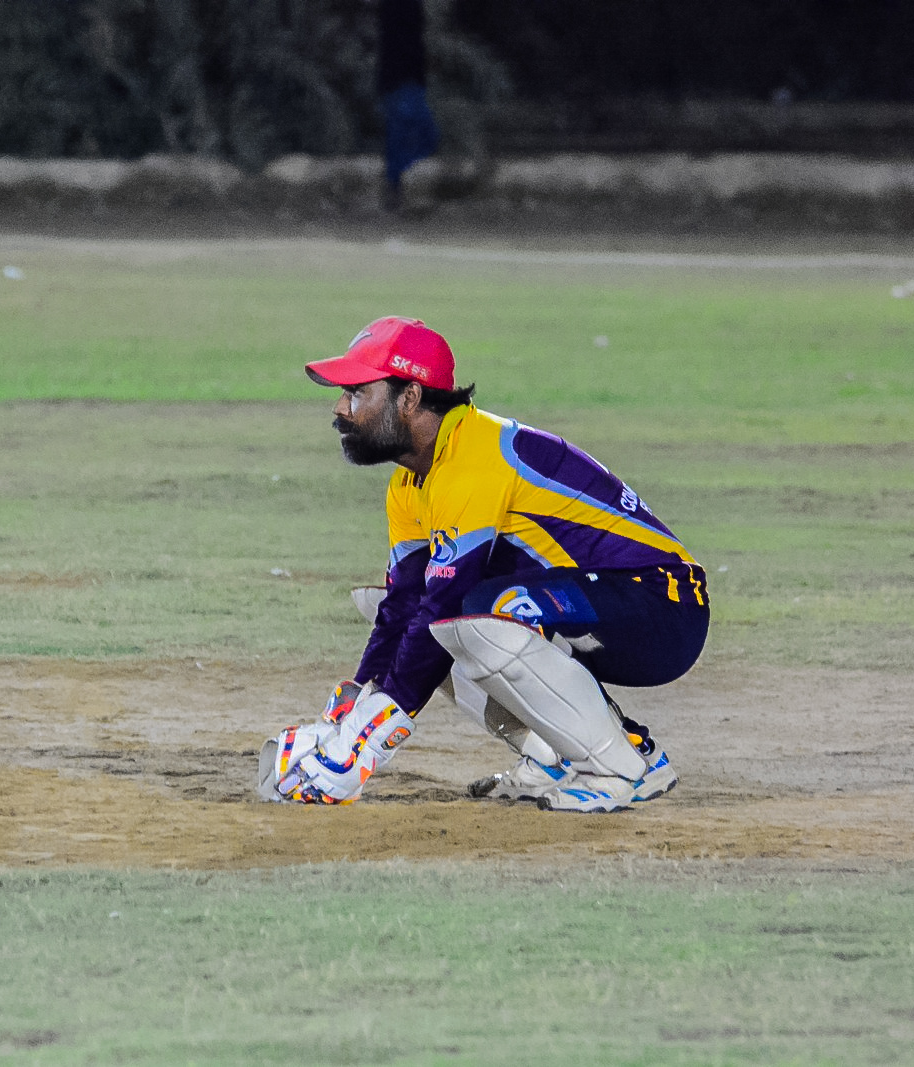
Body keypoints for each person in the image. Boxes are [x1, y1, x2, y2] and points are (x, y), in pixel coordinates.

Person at [257, 317, 709, 813]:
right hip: (594, 601)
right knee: (412, 612)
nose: (341, 408)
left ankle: (619, 768)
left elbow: (444, 605)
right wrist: (350, 710)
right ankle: (557, 757)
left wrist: (366, 743)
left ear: (410, 397)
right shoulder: (411, 482)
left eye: (358, 392)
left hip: (664, 605)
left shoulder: (474, 457)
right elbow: (405, 607)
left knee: (477, 614)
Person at [375, 0, 440, 211]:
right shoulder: (401, 6)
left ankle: (396, 181)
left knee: (404, 135)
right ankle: (396, 182)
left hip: (402, 79)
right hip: (403, 79)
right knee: (413, 133)